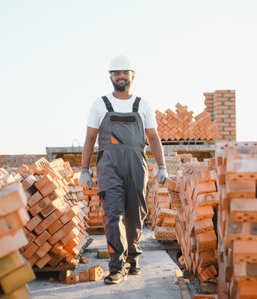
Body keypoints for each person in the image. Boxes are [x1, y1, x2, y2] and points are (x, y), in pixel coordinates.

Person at [80, 55, 168, 284]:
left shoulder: (143, 104)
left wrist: (162, 166)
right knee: (113, 215)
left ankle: (132, 257)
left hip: (136, 166)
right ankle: (117, 267)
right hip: (109, 167)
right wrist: (84, 170)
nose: (120, 76)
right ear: (110, 76)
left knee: (136, 214)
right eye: (116, 73)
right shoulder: (100, 104)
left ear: (132, 75)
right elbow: (90, 138)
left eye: (124, 72)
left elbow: (154, 137)